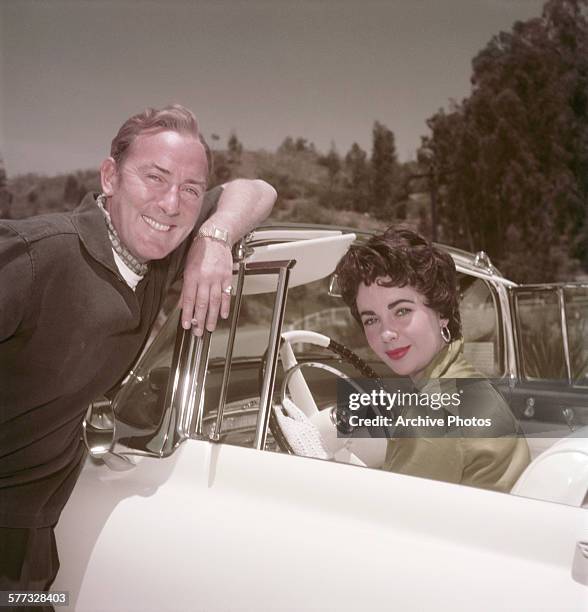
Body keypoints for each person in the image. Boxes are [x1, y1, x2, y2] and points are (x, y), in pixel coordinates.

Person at [0, 104, 276, 597]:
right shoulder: (38, 254)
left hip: (32, 545)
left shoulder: (158, 258)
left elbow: (256, 191)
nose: (172, 203)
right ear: (110, 177)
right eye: (154, 177)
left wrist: (214, 238)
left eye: (191, 189)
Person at [275, 228, 530, 493]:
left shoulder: (429, 416)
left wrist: (314, 457)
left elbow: (387, 523)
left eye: (402, 311)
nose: (386, 333)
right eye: (371, 319)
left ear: (441, 311)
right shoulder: (466, 380)